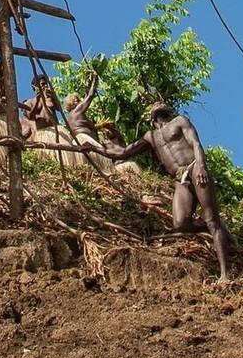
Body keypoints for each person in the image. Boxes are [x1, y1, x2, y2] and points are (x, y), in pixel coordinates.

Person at [86, 103, 233, 282]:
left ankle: (225, 273)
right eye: (153, 105)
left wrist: (201, 167)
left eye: (160, 103)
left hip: (195, 168)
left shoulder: (179, 121)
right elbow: (122, 153)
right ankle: (215, 227)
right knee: (180, 223)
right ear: (150, 119)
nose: (157, 104)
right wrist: (95, 148)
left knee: (212, 219)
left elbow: (195, 143)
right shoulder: (151, 137)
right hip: (181, 178)